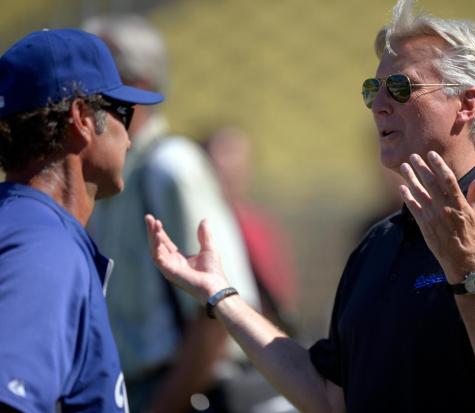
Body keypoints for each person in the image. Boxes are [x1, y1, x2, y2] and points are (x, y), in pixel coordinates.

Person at [145, 0, 475, 411]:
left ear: (467, 105)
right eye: (374, 89)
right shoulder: (378, 242)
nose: (379, 105)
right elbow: (330, 397)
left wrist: (465, 270)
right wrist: (221, 295)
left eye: (401, 87)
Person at [83, 15, 260, 413]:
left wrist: (161, 407)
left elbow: (222, 308)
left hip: (184, 396)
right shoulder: (119, 172)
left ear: (138, 88)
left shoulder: (171, 168)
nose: (82, 95)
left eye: (96, 81)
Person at [0, 29, 163, 412]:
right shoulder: (44, 250)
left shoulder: (24, 227)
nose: (129, 137)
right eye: (122, 111)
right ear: (82, 118)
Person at [202, 127, 299, 334]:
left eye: (239, 161)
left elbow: (282, 294)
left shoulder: (260, 227)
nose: (231, 170)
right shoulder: (200, 228)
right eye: (223, 159)